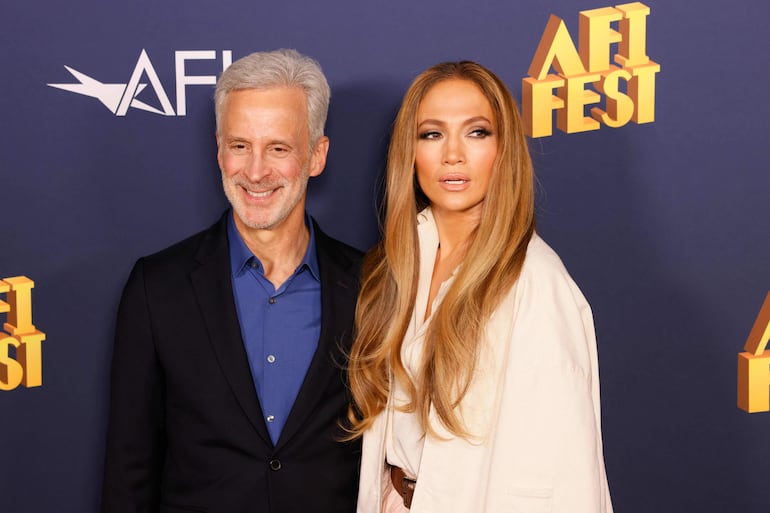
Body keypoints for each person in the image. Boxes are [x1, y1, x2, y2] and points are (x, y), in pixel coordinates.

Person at [101, 49, 362, 513]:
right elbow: (129, 472)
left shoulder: (370, 285)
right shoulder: (157, 288)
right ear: (219, 149)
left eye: (278, 148)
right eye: (240, 145)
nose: (255, 171)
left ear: (317, 155)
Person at [347, 61, 613, 512]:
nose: (453, 154)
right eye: (431, 134)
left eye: (476, 133)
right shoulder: (402, 261)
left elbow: (566, 476)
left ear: (504, 148)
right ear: (409, 152)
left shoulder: (537, 283)